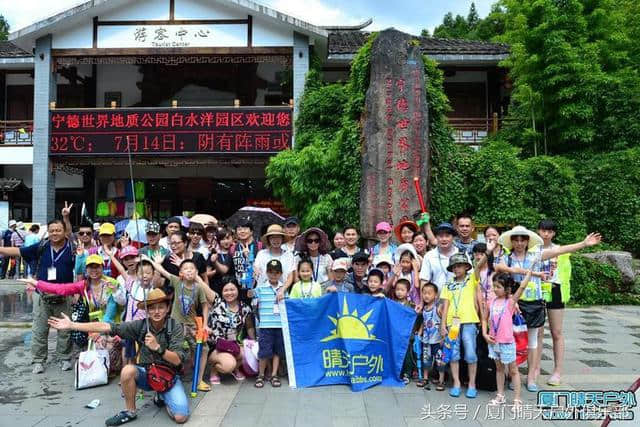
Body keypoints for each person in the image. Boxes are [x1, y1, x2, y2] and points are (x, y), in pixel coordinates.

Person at [47, 288, 190, 425]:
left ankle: (163, 395)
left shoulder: (174, 327)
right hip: (147, 374)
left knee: (180, 417)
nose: (157, 311)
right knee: (128, 370)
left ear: (167, 308)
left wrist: (158, 348)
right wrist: (72, 325)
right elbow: (107, 327)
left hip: (169, 376)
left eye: (161, 307)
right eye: (152, 308)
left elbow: (178, 359)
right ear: (147, 310)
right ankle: (130, 411)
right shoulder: (140, 325)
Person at [495, 225, 601, 391]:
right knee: (513, 341)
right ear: (512, 241)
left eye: (523, 239)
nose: (520, 242)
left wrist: (583, 244)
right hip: (515, 305)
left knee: (532, 342)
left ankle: (530, 378)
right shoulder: (506, 258)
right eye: (516, 239)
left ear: (528, 241)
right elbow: (499, 271)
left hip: (535, 303)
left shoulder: (536, 255)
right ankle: (512, 374)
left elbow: (559, 251)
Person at [21, 254, 124, 375]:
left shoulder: (111, 283)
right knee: (97, 358)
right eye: (91, 267)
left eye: (97, 266)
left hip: (111, 326)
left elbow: (110, 313)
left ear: (102, 267)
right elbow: (61, 288)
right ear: (86, 269)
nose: (94, 270)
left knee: (110, 357)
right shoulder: (84, 285)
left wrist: (98, 332)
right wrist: (37, 283)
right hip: (93, 326)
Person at [0, 217, 75, 374]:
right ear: (48, 231)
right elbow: (18, 251)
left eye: (58, 230)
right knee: (39, 330)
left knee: (65, 330)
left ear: (64, 232)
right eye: (52, 230)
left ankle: (65, 357)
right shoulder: (41, 246)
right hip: (42, 296)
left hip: (64, 296)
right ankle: (39, 360)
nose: (55, 233)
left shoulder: (71, 247)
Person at [150, 257, 213, 393]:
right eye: (185, 269)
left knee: (203, 349)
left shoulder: (199, 288)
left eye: (192, 268)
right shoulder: (177, 282)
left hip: (192, 325)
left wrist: (205, 325)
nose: (189, 271)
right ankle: (166, 376)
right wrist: (158, 263)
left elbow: (205, 306)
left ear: (196, 272)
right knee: (170, 348)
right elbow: (162, 271)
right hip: (175, 324)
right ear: (181, 273)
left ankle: (199, 379)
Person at [482, 271, 533, 412]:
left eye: (498, 286)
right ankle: (500, 395)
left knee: (513, 370)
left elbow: (522, 287)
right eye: (494, 286)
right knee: (499, 369)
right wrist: (485, 333)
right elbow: (485, 318)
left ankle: (517, 399)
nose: (495, 289)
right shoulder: (490, 301)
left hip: (507, 342)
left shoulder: (510, 302)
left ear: (507, 289)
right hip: (493, 341)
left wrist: (530, 272)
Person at [439, 253, 480, 399]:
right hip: (452, 323)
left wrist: (490, 249)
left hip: (469, 320)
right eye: (454, 266)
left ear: (466, 267)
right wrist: (443, 324)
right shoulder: (448, 284)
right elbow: (446, 305)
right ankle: (456, 383)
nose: (457, 269)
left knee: (470, 352)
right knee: (453, 353)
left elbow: (480, 265)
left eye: (460, 266)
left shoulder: (472, 279)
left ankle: (472, 384)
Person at [537, 220, 572, 386]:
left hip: (555, 290)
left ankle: (557, 371)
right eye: (543, 230)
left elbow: (565, 274)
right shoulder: (532, 249)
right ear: (538, 231)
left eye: (550, 231)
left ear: (554, 233)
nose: (546, 234)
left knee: (556, 332)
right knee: (537, 333)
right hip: (535, 291)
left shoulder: (560, 251)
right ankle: (535, 368)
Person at [207, 276, 255, 386]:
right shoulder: (217, 302)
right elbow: (202, 285)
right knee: (228, 364)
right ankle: (215, 370)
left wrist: (253, 342)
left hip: (234, 345)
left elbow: (250, 327)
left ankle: (235, 368)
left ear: (238, 290)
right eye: (226, 290)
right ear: (222, 292)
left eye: (232, 289)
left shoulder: (245, 308)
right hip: (216, 346)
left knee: (249, 354)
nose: (229, 293)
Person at [254, 259, 286, 388]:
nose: (274, 275)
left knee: (277, 352)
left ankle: (274, 375)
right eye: (271, 272)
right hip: (265, 326)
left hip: (280, 325)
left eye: (277, 272)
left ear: (281, 273)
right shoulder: (260, 288)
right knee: (264, 352)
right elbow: (251, 296)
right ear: (267, 273)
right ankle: (261, 375)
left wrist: (283, 294)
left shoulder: (284, 289)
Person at [417, 282, 445, 391]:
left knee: (440, 361)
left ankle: (441, 380)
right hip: (426, 340)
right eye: (424, 293)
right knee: (426, 360)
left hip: (437, 340)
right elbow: (424, 322)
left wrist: (444, 337)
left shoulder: (438, 308)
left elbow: (444, 321)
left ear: (435, 295)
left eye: (429, 293)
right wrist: (419, 333)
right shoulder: (424, 308)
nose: (426, 296)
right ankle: (425, 378)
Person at [419, 222, 464, 292]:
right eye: (441, 236)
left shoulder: (461, 253)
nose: (444, 239)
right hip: (435, 300)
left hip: (459, 299)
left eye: (447, 236)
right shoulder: (429, 256)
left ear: (453, 237)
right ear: (436, 237)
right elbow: (424, 281)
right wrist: (422, 302)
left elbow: (469, 277)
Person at [254, 224, 295, 296]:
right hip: (263, 293)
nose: (275, 240)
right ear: (269, 239)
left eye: (278, 237)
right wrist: (255, 270)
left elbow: (290, 276)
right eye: (272, 237)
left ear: (282, 239)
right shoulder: (261, 254)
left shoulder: (289, 255)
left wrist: (282, 290)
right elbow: (256, 268)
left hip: (282, 293)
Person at [231, 221, 261, 294]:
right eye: (239, 229)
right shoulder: (233, 248)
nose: (242, 231)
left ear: (251, 232)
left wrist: (248, 257)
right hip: (239, 289)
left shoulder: (260, 246)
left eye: (245, 228)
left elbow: (262, 269)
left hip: (257, 287)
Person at [207, 228, 235, 295]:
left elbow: (224, 270)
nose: (226, 241)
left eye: (228, 238)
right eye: (222, 239)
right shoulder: (214, 254)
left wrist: (216, 263)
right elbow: (207, 274)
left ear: (232, 239)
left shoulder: (235, 252)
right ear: (218, 241)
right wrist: (215, 271)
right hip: (216, 287)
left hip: (232, 287)